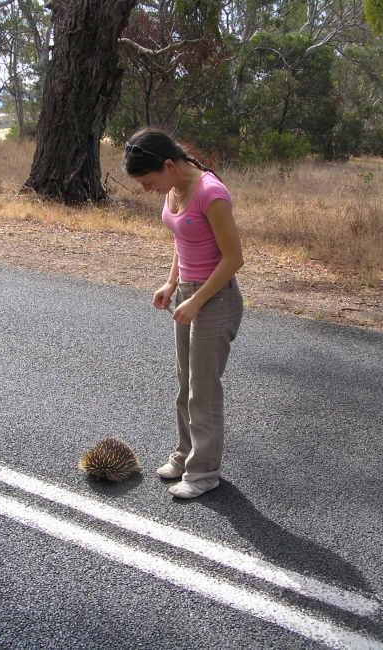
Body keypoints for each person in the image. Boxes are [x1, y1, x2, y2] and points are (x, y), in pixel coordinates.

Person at [123, 128, 244, 499]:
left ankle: (205, 472)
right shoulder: (175, 189)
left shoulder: (210, 193)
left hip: (217, 298)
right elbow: (183, 239)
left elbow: (234, 259)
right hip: (189, 294)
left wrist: (196, 300)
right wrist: (172, 284)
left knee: (203, 391)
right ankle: (186, 454)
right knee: (186, 385)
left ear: (170, 165)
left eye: (148, 181)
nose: (147, 190)